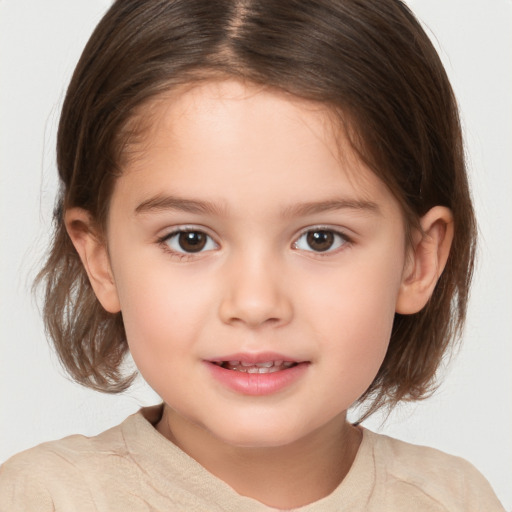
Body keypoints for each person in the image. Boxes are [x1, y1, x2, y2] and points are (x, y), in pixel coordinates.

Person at [0, 0, 506, 510]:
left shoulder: (454, 499)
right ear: (101, 259)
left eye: (321, 239)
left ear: (417, 260)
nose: (256, 302)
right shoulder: (41, 498)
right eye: (190, 239)